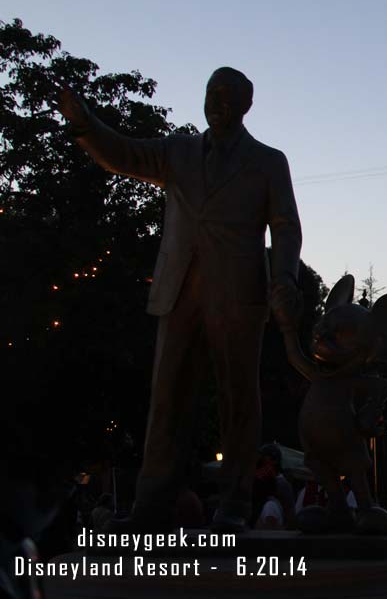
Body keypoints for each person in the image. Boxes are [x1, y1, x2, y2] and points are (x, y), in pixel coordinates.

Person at [56, 69, 303, 533]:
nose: (218, 104)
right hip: (179, 292)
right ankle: (151, 507)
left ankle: (233, 505)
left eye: (229, 98)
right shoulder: (178, 150)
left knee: (238, 403)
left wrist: (285, 277)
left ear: (247, 106)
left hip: (238, 295)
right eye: (212, 94)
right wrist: (86, 122)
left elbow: (286, 227)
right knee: (166, 400)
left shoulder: (269, 161)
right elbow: (125, 153)